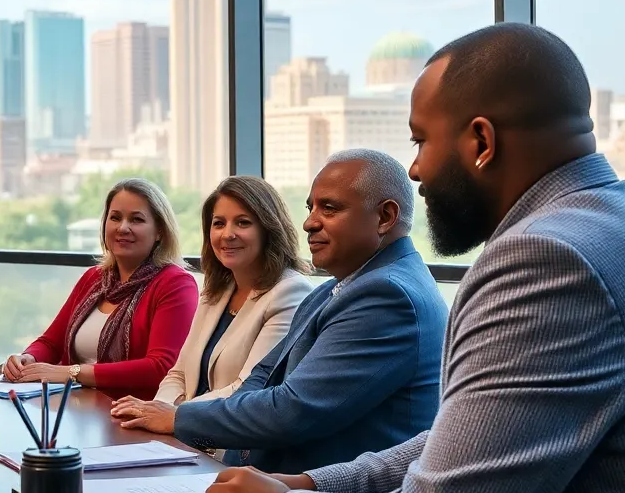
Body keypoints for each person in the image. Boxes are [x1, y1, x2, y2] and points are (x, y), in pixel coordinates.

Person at [205, 24, 625, 493]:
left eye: (421, 141)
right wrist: (314, 481)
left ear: (480, 140)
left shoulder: (545, 259)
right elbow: (474, 438)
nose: (416, 169)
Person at [115, 151, 446, 474]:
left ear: (385, 217)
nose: (309, 222)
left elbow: (294, 409)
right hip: (259, 480)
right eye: (310, 207)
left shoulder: (388, 295)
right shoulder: (333, 289)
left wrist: (176, 418)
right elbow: (263, 376)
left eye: (329, 208)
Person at [114, 176, 311, 415]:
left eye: (243, 223)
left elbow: (247, 389)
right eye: (219, 223)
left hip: (232, 445)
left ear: (268, 230)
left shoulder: (290, 292)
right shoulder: (217, 290)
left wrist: (174, 416)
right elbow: (178, 374)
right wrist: (156, 412)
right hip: (188, 435)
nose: (227, 234)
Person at [1, 178, 198, 400]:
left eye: (136, 219)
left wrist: (73, 373)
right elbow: (51, 342)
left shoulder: (175, 284)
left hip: (131, 416)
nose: (123, 227)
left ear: (160, 231)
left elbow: (160, 367)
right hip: (74, 410)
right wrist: (28, 359)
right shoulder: (94, 278)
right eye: (115, 218)